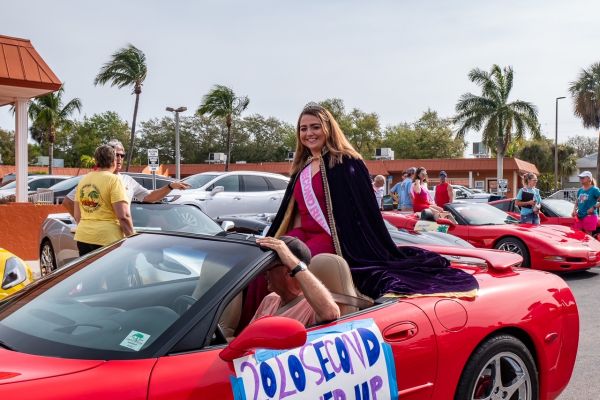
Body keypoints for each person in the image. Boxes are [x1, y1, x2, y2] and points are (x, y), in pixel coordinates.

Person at [266, 103, 478, 299]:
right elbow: (293, 213)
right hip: (304, 234)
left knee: (288, 268)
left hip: (335, 240)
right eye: (303, 129)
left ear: (328, 129)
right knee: (263, 263)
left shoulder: (346, 163)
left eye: (315, 127)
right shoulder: (301, 168)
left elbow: (363, 214)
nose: (309, 133)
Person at [63, 139, 191, 216]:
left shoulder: (127, 180)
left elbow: (149, 197)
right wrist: (80, 222)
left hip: (116, 237)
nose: (119, 158)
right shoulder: (91, 179)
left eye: (122, 155)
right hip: (95, 237)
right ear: (108, 156)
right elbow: (68, 201)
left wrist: (170, 186)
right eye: (116, 154)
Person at [250, 236, 340, 326]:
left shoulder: (312, 307)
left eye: (268, 267)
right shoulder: (269, 299)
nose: (264, 273)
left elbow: (331, 313)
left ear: (289, 270)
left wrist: (292, 261)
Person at [73, 145, 134, 256]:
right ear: (114, 161)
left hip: (83, 237)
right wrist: (132, 240)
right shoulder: (114, 180)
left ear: (96, 161)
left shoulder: (83, 180)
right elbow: (123, 216)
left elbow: (77, 215)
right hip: (108, 239)